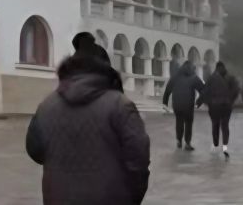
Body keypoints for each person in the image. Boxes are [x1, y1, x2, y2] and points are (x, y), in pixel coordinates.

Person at [26, 46, 150, 205]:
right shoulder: (120, 105)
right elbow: (139, 158)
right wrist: (132, 197)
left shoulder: (47, 106)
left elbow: (34, 150)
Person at [196, 62, 239, 158]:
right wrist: (230, 100)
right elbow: (236, 90)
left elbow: (205, 91)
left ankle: (215, 145)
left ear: (216, 69)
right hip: (227, 106)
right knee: (225, 125)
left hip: (214, 106)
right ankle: (225, 147)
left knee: (215, 125)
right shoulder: (230, 78)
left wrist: (198, 102)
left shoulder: (212, 78)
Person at [162, 60, 204, 151]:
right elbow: (203, 91)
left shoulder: (175, 77)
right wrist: (198, 102)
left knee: (179, 121)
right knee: (188, 123)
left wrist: (165, 103)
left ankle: (179, 141)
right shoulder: (194, 77)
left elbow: (167, 90)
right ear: (191, 68)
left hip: (177, 104)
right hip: (188, 105)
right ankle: (187, 143)